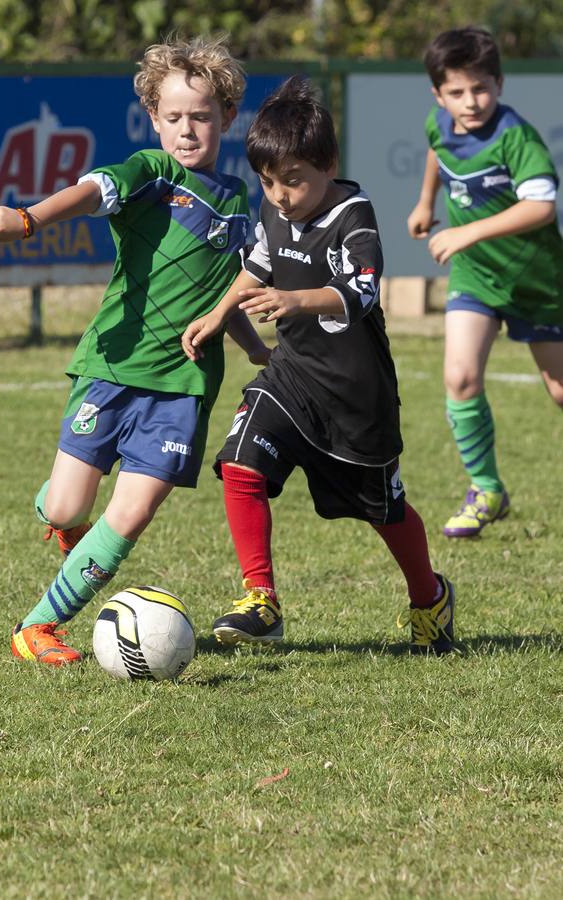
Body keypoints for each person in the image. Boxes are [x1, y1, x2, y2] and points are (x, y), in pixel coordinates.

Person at [0, 35, 269, 665]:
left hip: (186, 385)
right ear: (153, 120)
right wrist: (27, 219)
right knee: (65, 506)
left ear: (225, 118)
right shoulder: (152, 173)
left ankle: (37, 628)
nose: (187, 130)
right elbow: (89, 190)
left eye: (201, 117)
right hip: (112, 365)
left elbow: (223, 292)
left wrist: (257, 350)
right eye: (173, 118)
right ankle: (61, 517)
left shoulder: (239, 202)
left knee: (129, 516)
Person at [182, 76, 455, 654]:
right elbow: (258, 261)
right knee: (240, 462)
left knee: (385, 510)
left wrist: (295, 300)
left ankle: (429, 596)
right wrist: (218, 313)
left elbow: (361, 290)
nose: (279, 195)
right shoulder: (275, 205)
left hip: (357, 394)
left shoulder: (354, 214)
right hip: (293, 375)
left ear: (328, 164)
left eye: (293, 181)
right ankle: (261, 597)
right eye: (267, 182)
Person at [408, 26, 563, 538]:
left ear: (498, 83)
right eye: (456, 92)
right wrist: (427, 202)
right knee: (460, 378)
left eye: (480, 88)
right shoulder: (440, 122)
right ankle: (487, 489)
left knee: (560, 392)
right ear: (438, 94)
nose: (469, 101)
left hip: (536, 280)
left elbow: (542, 206)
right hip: (477, 276)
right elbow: (437, 151)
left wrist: (467, 229)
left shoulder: (515, 136)